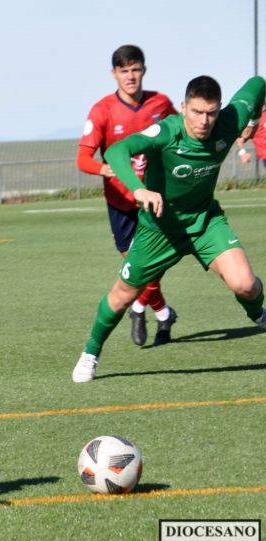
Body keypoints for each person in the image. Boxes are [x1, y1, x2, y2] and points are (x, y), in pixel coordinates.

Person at [72, 75, 266, 383]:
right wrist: (139, 190)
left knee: (246, 285)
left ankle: (257, 314)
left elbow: (257, 83)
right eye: (197, 112)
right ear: (184, 107)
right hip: (158, 230)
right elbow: (117, 151)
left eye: (211, 112)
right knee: (123, 295)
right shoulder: (166, 131)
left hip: (204, 222)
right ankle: (90, 354)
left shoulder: (229, 120)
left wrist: (253, 119)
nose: (204, 121)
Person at [77, 45, 178, 346]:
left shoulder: (161, 104)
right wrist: (106, 169)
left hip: (154, 199)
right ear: (114, 74)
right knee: (134, 267)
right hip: (120, 202)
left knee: (151, 264)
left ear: (144, 70)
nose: (130, 76)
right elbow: (83, 159)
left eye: (135, 69)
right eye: (124, 71)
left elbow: (178, 136)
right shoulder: (102, 110)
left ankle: (137, 307)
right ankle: (162, 312)